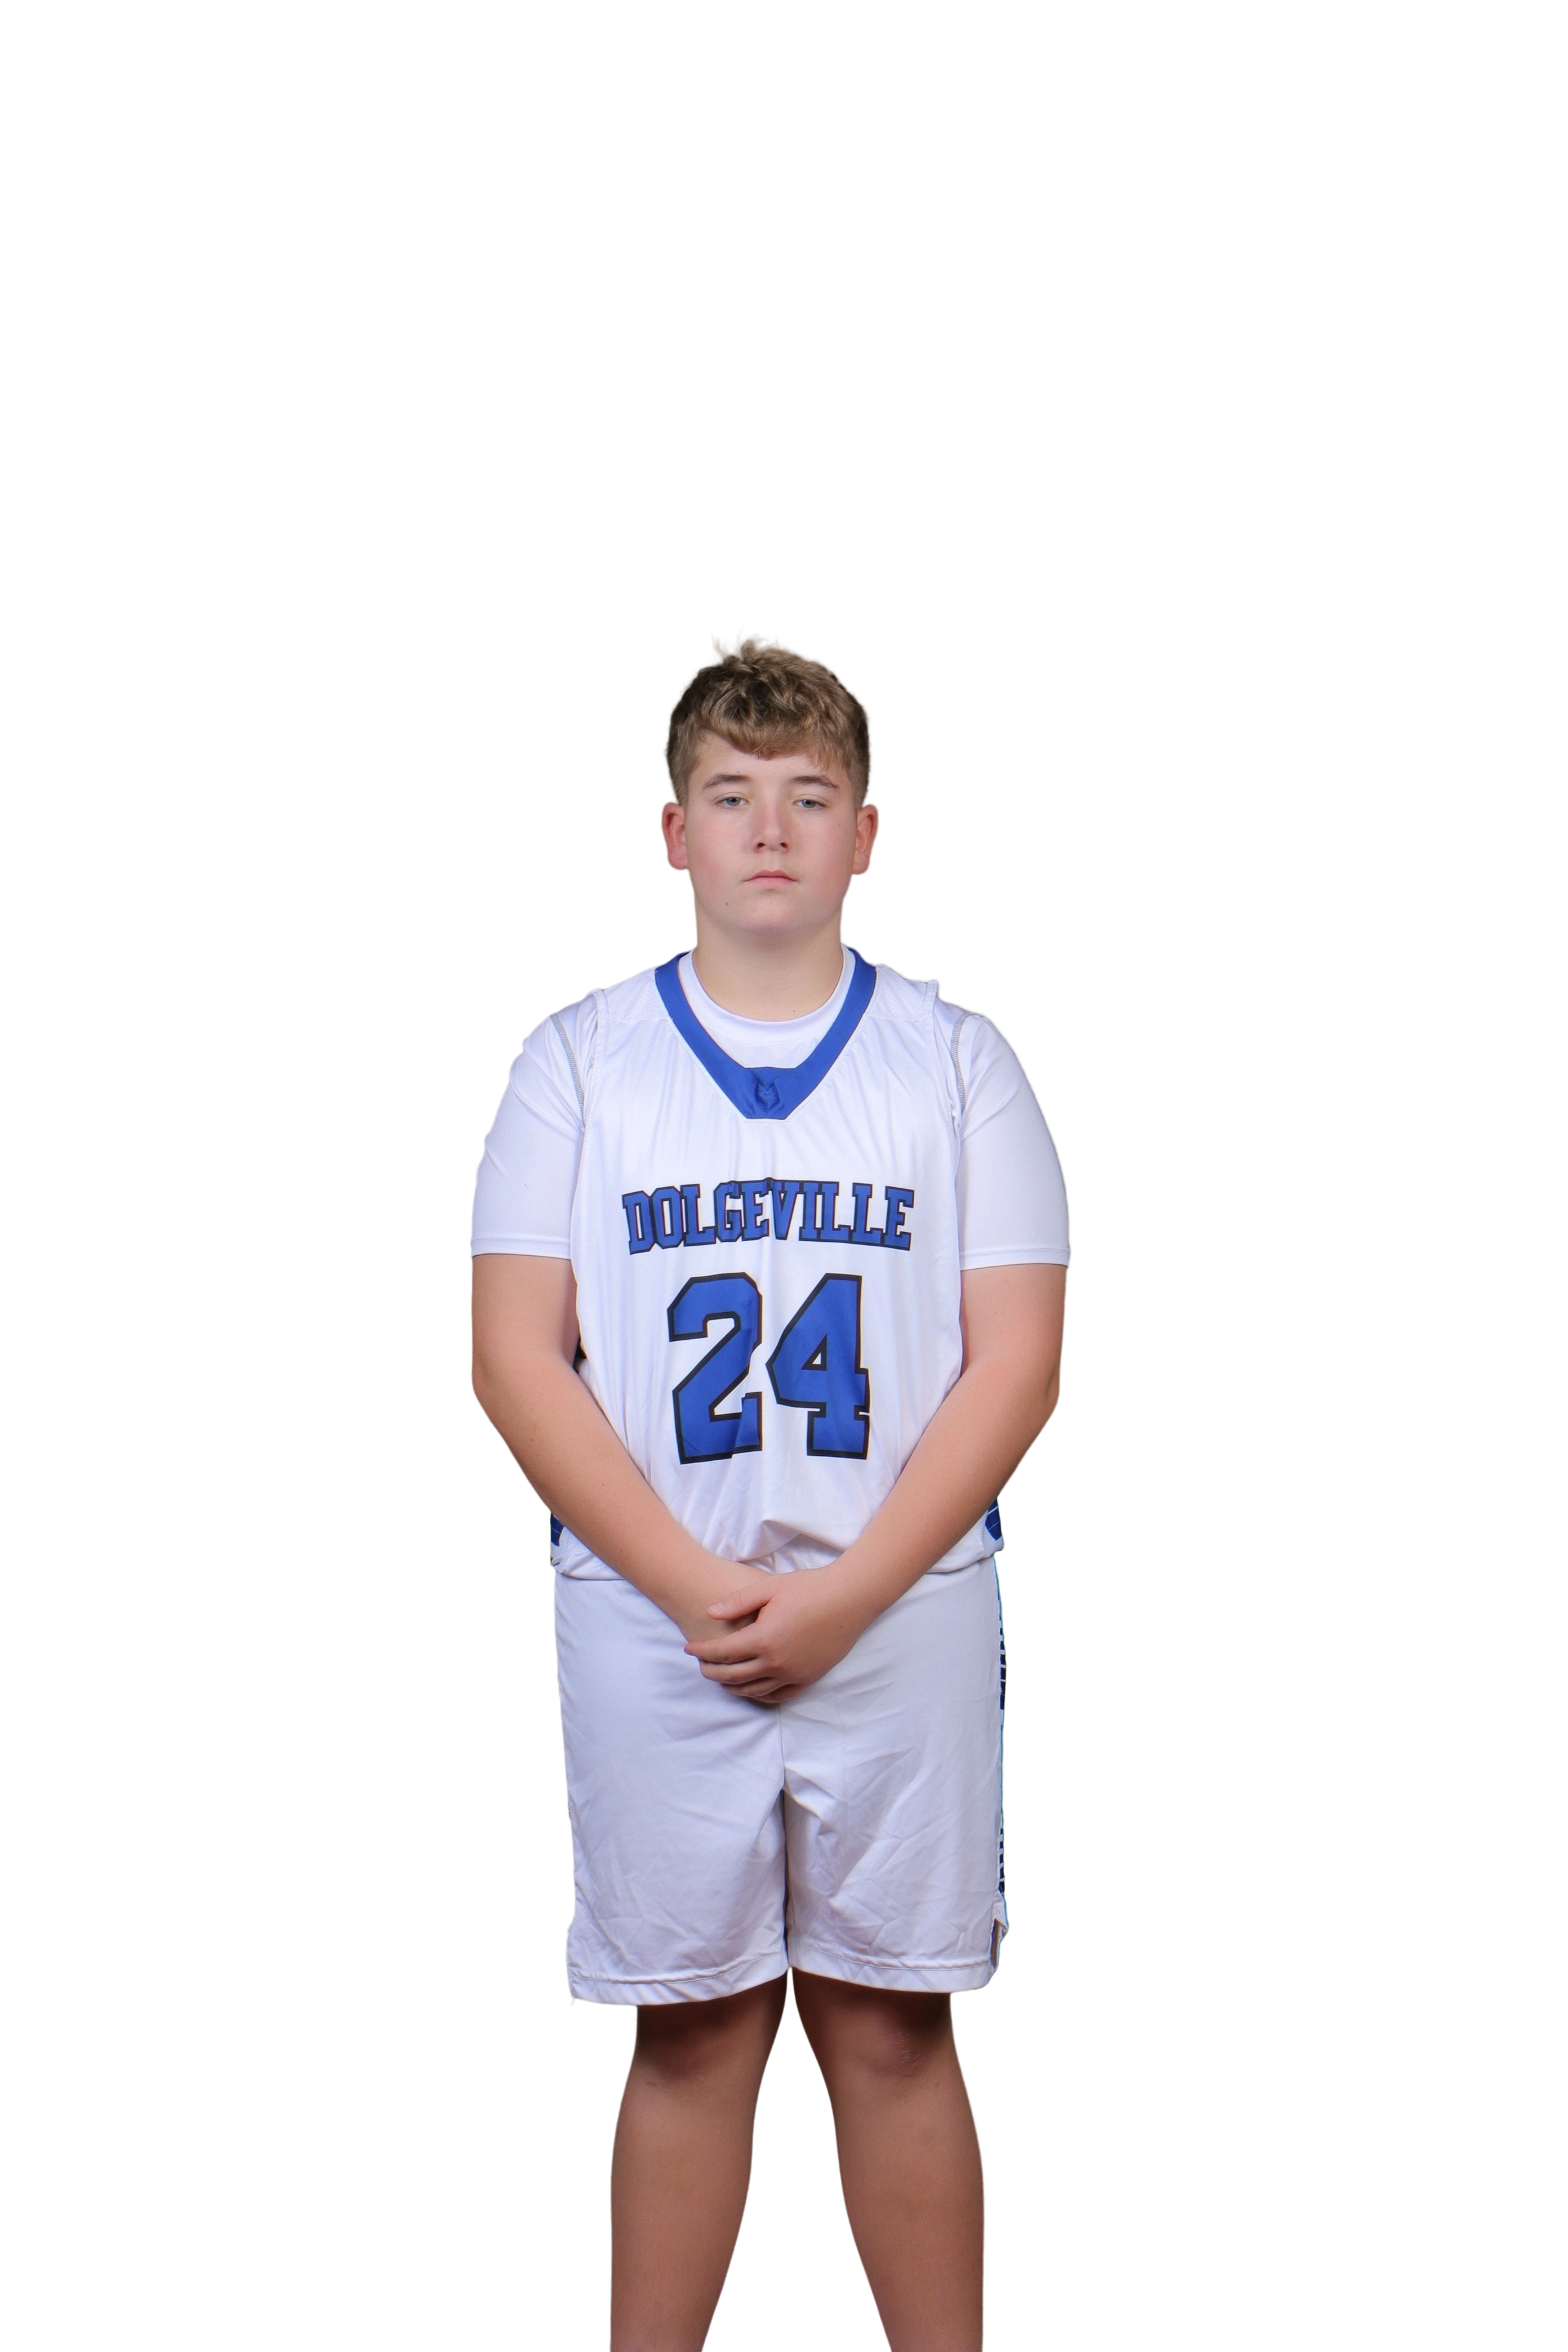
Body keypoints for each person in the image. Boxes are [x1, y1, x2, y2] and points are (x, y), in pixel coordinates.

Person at [468, 628, 1070, 2352]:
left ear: (870, 834)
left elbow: (1019, 1359)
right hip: (656, 1614)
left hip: (900, 1606)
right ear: (673, 832)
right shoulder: (578, 1059)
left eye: (811, 796)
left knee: (893, 2024)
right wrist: (691, 1586)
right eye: (731, 795)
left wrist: (850, 1591)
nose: (771, 831)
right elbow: (515, 1356)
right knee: (691, 2026)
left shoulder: (958, 1061)